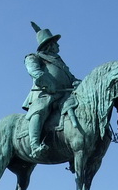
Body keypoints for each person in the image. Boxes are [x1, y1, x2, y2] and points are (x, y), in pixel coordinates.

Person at [22, 22, 78, 160]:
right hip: (45, 93)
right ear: (49, 45)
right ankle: (35, 145)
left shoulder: (59, 61)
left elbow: (70, 77)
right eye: (55, 43)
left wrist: (78, 83)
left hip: (64, 94)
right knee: (40, 110)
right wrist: (48, 83)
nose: (58, 45)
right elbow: (35, 72)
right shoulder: (34, 57)